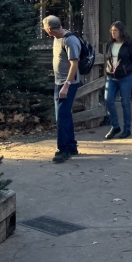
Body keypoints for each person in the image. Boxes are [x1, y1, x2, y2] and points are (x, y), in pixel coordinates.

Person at [43, 15, 81, 163]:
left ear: (49, 29)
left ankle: (63, 150)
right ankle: (71, 146)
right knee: (64, 115)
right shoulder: (57, 38)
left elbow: (74, 64)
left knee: (61, 117)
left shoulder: (70, 40)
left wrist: (66, 85)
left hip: (67, 84)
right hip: (59, 82)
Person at [103, 21, 132, 140]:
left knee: (125, 103)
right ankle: (115, 126)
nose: (113, 33)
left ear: (121, 31)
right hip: (111, 77)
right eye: (111, 31)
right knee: (108, 100)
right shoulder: (109, 44)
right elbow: (107, 59)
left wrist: (129, 72)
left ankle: (127, 129)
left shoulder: (129, 44)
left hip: (125, 76)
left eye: (115, 31)